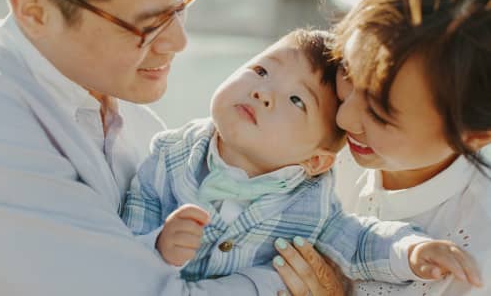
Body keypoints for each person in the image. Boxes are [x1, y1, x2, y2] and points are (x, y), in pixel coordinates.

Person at [0, 0, 288, 294]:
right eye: (151, 24)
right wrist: (293, 284)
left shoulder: (138, 124)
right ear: (35, 12)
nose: (178, 41)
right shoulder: (0, 123)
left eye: (184, 2)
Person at [122, 29, 481, 289]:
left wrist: (411, 252)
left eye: (297, 101)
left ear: (315, 162)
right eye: (261, 71)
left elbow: (360, 241)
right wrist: (155, 242)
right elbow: (121, 236)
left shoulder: (312, 206)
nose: (263, 93)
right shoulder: (169, 154)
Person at [270, 0, 491, 295]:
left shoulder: (478, 256)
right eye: (347, 69)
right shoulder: (307, 110)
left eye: (379, 114)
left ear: (474, 135)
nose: (344, 119)